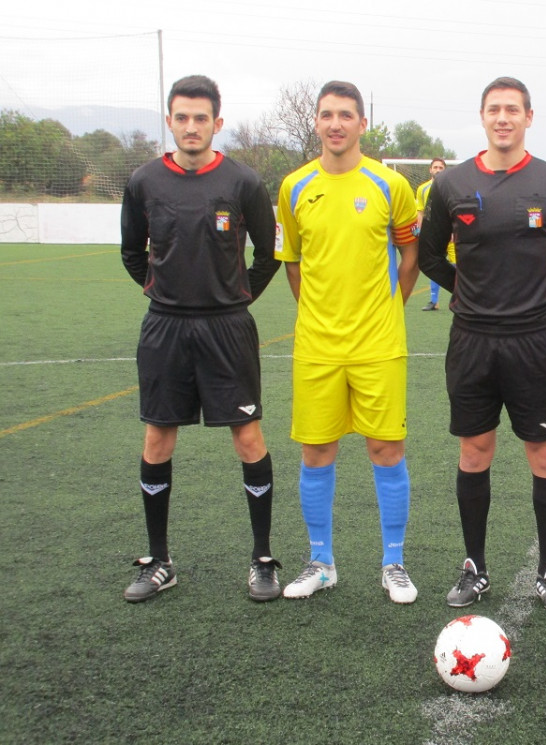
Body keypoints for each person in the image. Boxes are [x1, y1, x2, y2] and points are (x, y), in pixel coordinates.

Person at [418, 76, 546, 612]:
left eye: (513, 110)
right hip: (473, 340)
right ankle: (474, 567)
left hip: (534, 342)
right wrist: (471, 293)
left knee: (545, 454)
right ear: (482, 117)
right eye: (494, 110)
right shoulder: (451, 183)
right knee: (475, 451)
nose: (503, 118)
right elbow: (431, 257)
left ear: (529, 116)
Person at [120, 74, 282, 603]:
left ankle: (262, 559)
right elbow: (130, 253)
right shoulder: (144, 181)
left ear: (217, 121)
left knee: (249, 437)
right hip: (165, 327)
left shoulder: (243, 182)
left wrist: (235, 298)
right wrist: (161, 288)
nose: (191, 127)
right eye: (182, 117)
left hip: (227, 329)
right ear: (170, 121)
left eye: (201, 118)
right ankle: (159, 560)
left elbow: (266, 256)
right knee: (157, 438)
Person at [276, 80, 420, 604]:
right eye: (326, 114)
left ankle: (394, 563)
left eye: (346, 114)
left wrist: (388, 308)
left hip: (378, 343)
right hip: (316, 345)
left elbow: (410, 254)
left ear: (363, 123)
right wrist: (318, 313)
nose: (335, 123)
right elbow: (292, 263)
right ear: (316, 122)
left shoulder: (390, 185)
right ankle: (321, 562)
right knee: (316, 452)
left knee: (386, 449)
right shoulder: (294, 186)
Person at [415, 158, 456, 311]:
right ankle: (433, 301)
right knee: (434, 263)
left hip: (452, 235)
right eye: (435, 167)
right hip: (434, 235)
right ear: (430, 170)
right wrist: (422, 233)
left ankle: (460, 297)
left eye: (441, 167)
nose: (438, 170)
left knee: (459, 264)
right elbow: (421, 212)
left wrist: (454, 230)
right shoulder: (422, 189)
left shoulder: (452, 187)